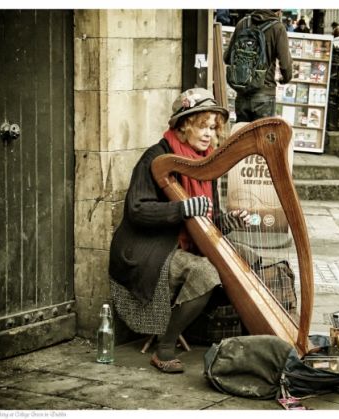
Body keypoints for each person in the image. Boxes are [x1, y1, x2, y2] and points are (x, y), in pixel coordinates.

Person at [108, 88, 251, 373]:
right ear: (184, 125)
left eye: (213, 127)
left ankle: (249, 343)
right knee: (206, 272)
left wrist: (228, 222)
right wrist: (181, 209)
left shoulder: (205, 162)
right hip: (147, 252)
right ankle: (164, 347)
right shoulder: (156, 158)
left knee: (249, 259)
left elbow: (206, 221)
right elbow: (137, 210)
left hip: (180, 245)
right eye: (203, 126)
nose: (210, 134)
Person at [223, 9, 292, 121]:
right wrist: (285, 79)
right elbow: (285, 65)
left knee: (243, 135)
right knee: (262, 137)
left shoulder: (242, 23)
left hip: (242, 93)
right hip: (264, 93)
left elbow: (227, 58)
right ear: (278, 11)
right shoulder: (278, 28)